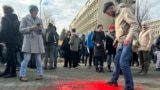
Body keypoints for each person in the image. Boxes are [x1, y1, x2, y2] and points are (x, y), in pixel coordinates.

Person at [103, 2, 139, 90]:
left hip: (129, 41)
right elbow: (120, 31)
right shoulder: (116, 17)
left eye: (108, 13)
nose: (108, 15)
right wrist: (116, 40)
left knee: (123, 62)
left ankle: (129, 87)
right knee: (116, 61)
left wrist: (129, 37)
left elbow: (135, 24)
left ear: (112, 8)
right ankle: (114, 80)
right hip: (121, 42)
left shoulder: (124, 11)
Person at [19, 5, 45, 82]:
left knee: (38, 59)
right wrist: (30, 28)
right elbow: (21, 30)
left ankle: (40, 74)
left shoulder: (39, 20)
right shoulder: (25, 19)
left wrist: (40, 29)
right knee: (26, 58)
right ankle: (22, 75)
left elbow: (44, 32)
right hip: (29, 41)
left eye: (37, 10)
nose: (36, 12)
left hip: (37, 41)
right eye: (35, 10)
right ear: (31, 11)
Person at [0, 5, 20, 78]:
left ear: (5, 11)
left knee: (10, 56)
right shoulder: (15, 18)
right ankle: (8, 70)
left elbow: (3, 30)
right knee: (12, 55)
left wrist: (1, 40)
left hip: (8, 39)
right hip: (14, 39)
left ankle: (12, 72)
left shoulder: (5, 18)